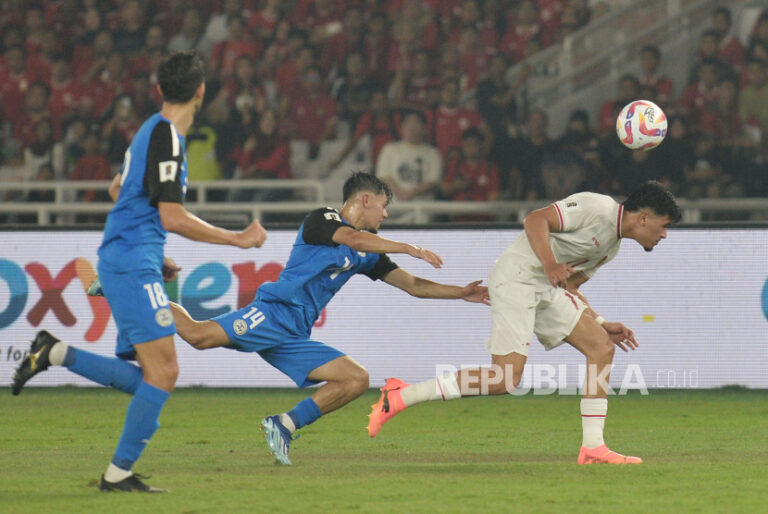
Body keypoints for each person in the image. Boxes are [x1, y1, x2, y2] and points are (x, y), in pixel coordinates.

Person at [11, 50, 267, 493]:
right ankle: (117, 474)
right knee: (164, 374)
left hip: (133, 257)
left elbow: (119, 188)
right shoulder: (167, 137)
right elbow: (171, 214)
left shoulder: (149, 131)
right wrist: (238, 239)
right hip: (131, 261)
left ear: (160, 89)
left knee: (152, 375)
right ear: (201, 92)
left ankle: (54, 353)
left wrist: (151, 246)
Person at [163, 171, 489, 465]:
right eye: (383, 204)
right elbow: (352, 238)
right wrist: (410, 247)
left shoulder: (367, 254)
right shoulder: (323, 218)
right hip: (274, 313)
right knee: (198, 336)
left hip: (296, 333)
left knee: (355, 379)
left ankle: (284, 425)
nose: (386, 213)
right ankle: (140, 294)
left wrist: (459, 292)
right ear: (365, 199)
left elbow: (413, 285)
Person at [367, 181, 682, 465]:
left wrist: (599, 321)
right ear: (643, 218)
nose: (664, 234)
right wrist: (549, 263)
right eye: (664, 225)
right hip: (517, 278)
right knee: (503, 380)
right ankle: (400, 395)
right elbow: (535, 219)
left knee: (601, 347)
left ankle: (593, 447)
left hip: (545, 287)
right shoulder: (597, 207)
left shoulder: (611, 248)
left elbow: (569, 286)